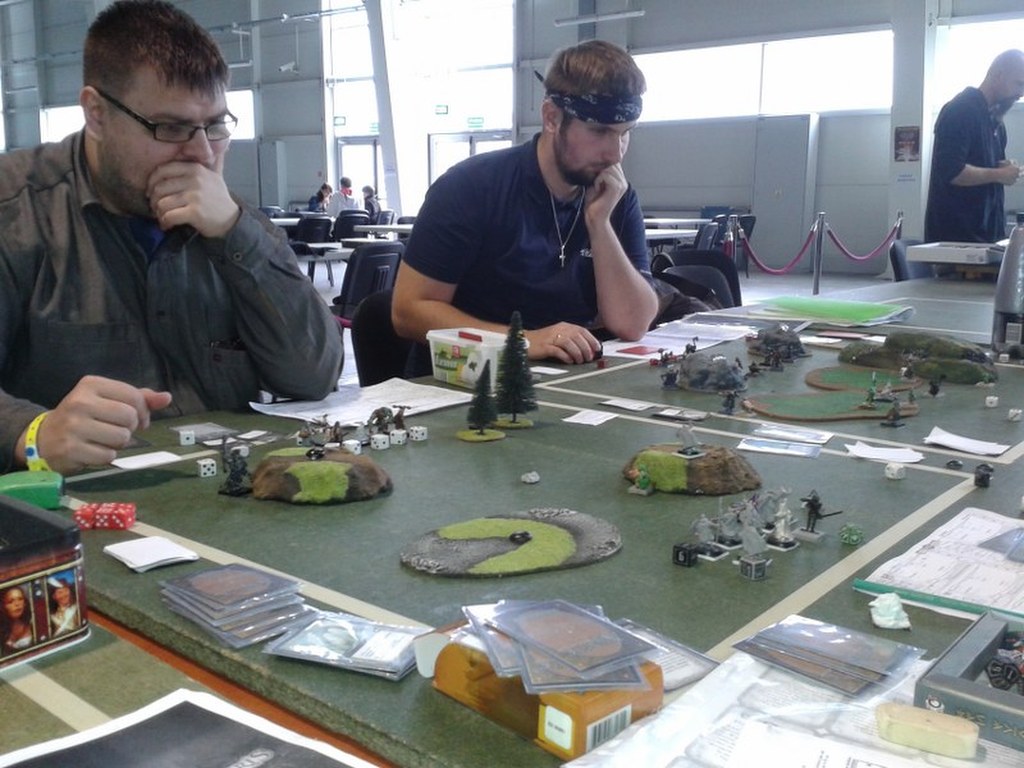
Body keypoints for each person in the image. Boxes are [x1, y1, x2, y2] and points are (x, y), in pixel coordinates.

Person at [0, 0, 343, 477]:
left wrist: (236, 236)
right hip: (75, 506)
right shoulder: (16, 213)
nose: (202, 153)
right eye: (171, 128)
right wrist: (31, 433)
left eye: (216, 125)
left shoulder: (234, 221)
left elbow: (313, 376)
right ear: (96, 114)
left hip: (229, 494)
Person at [392, 40, 658, 367]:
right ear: (552, 117)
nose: (615, 153)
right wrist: (523, 340)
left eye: (625, 133)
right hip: (469, 379)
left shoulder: (615, 195)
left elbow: (632, 324)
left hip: (563, 377)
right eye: (599, 131)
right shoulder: (472, 187)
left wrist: (600, 226)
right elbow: (409, 311)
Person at [924, 49, 1024, 243]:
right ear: (998, 76)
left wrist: (1003, 168)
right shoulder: (960, 110)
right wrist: (999, 174)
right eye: (1019, 84)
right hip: (956, 239)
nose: (1021, 94)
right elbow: (951, 171)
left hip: (986, 236)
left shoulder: (995, 122)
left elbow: (984, 168)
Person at [2, 585, 33, 655]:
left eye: (20, 599)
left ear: (25, 603)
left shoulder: (34, 624)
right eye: (10, 601)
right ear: (3, 606)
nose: (17, 604)